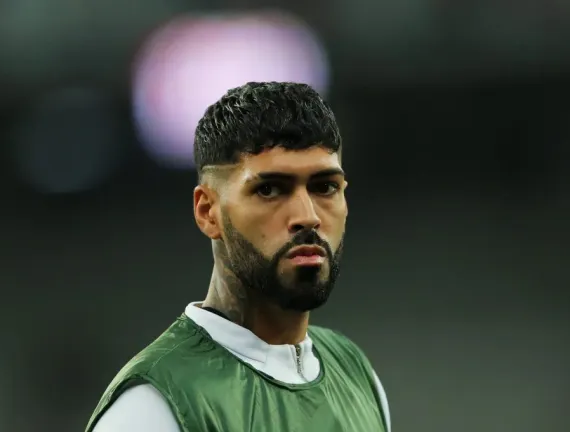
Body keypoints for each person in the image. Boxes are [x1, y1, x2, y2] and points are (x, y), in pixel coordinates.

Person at [85, 82, 391, 432]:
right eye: (270, 189)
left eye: (324, 187)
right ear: (208, 211)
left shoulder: (356, 375)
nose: (307, 216)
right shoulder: (153, 407)